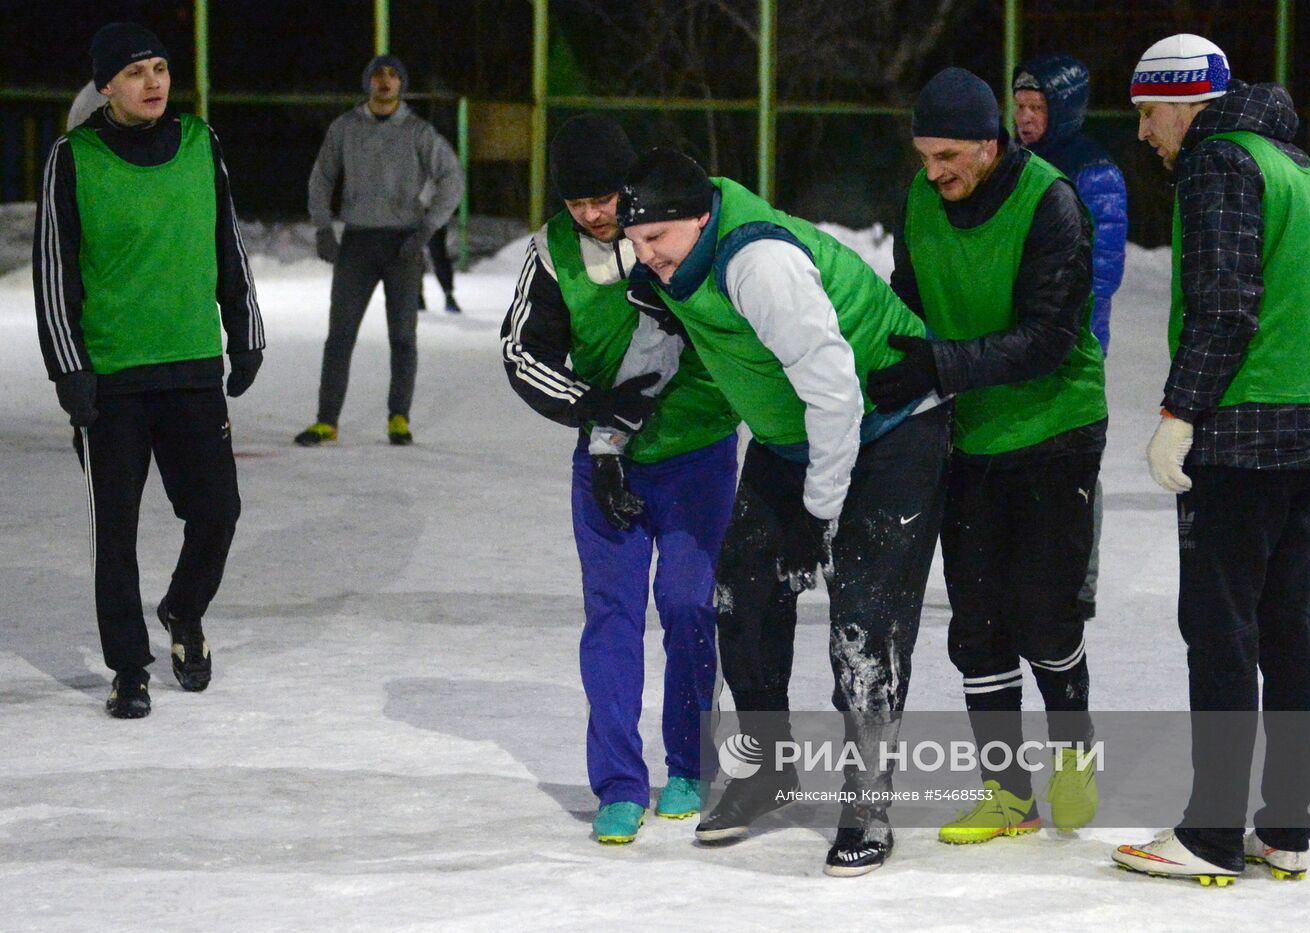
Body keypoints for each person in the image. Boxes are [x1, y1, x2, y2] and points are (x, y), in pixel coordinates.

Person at [616, 147, 952, 877]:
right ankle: (769, 767)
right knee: (741, 590)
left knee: (864, 618)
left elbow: (836, 391)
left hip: (891, 425)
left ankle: (868, 803)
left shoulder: (758, 264)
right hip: (794, 433)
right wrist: (613, 436)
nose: (648, 260)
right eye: (635, 244)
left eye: (659, 240)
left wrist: (816, 513)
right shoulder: (670, 261)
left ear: (700, 218)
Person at [1112, 34, 1310, 886]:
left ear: (1187, 103)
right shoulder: (1302, 169)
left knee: (1220, 630)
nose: (1144, 133)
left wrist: (1181, 411)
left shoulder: (1218, 165)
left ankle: (1210, 831)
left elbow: (1222, 304)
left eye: (1149, 113)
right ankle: (1284, 828)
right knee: (1291, 631)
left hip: (1240, 438)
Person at [872, 67, 1106, 844]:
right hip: (968, 430)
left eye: (947, 157)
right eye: (922, 158)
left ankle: (1074, 748)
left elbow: (1048, 339)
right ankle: (1008, 793)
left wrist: (939, 363)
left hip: (1055, 428)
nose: (933, 173)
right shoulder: (920, 198)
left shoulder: (1053, 203)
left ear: (988, 143)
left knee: (1044, 607)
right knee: (975, 619)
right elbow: (906, 297)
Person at [500, 116, 740, 845]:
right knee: (612, 615)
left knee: (691, 604)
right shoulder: (551, 255)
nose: (596, 215)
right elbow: (519, 353)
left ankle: (692, 764)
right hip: (605, 459)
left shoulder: (674, 227)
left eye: (605, 198)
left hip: (698, 450)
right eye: (579, 204)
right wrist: (591, 411)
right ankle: (618, 782)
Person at [33, 22, 265, 718]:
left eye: (161, 67)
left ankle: (183, 611)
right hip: (111, 378)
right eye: (135, 72)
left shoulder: (202, 145)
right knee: (117, 530)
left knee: (217, 512)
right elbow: (54, 273)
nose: (154, 81)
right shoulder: (72, 159)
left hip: (192, 365)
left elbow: (228, 240)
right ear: (106, 85)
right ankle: (129, 665)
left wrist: (244, 329)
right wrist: (69, 368)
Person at [295, 54, 464, 447]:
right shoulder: (346, 128)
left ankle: (399, 418)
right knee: (340, 335)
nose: (385, 81)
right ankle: (326, 422)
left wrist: (426, 228)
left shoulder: (418, 132)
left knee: (403, 336)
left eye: (392, 75)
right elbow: (321, 177)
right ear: (367, 83)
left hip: (402, 244)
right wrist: (323, 227)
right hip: (358, 242)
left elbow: (451, 178)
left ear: (402, 84)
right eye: (377, 74)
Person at [1012, 53, 1128, 622]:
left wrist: (1062, 322)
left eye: (1037, 107)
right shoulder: (1012, 162)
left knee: (1075, 458)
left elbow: (1103, 270)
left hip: (1075, 340)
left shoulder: (1094, 171)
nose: (1026, 118)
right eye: (1020, 106)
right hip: (1019, 334)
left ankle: (1080, 580)